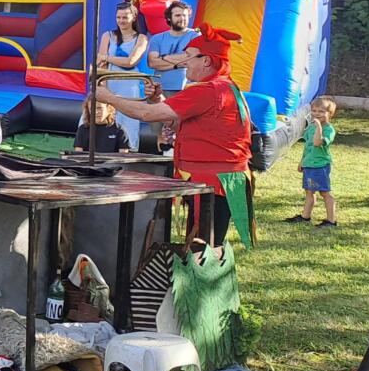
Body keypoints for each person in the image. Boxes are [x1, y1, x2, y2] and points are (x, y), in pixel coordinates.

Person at [95, 25, 253, 249]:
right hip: (216, 181)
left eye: (188, 56)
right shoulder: (225, 87)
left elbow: (146, 114)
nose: (183, 62)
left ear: (206, 61)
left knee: (204, 248)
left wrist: (109, 97)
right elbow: (184, 125)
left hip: (213, 183)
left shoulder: (207, 91)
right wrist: (156, 99)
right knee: (204, 244)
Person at [96, 0, 149, 150]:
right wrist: (103, 86)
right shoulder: (108, 36)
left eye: (125, 17)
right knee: (104, 115)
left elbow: (131, 61)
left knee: (127, 118)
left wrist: (106, 57)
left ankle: (128, 149)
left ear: (134, 17)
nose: (121, 20)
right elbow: (100, 63)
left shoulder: (141, 38)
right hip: (108, 81)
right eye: (118, 17)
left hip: (129, 85)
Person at [286, 96, 337, 228]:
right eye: (314, 111)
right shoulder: (310, 128)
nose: (316, 114)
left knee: (324, 193)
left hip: (320, 166)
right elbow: (308, 146)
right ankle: (305, 216)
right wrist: (302, 161)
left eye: (321, 111)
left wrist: (319, 126)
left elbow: (317, 143)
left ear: (330, 114)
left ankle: (331, 221)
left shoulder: (329, 130)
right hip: (309, 165)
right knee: (309, 191)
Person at [147, 1, 199, 97]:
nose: (182, 18)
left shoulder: (195, 35)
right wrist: (178, 64)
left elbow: (191, 59)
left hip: (186, 88)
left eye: (185, 15)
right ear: (169, 18)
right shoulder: (157, 38)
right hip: (159, 89)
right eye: (178, 15)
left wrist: (164, 57)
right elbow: (152, 63)